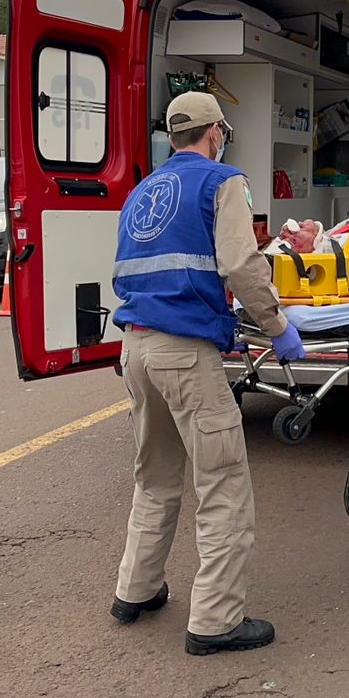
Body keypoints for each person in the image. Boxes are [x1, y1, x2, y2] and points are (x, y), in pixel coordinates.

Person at [109, 91, 304, 656]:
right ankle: (215, 622)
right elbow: (242, 263)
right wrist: (275, 324)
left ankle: (136, 590)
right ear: (216, 132)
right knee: (222, 487)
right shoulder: (223, 183)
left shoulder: (144, 190)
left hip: (137, 349)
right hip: (185, 353)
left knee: (155, 477)